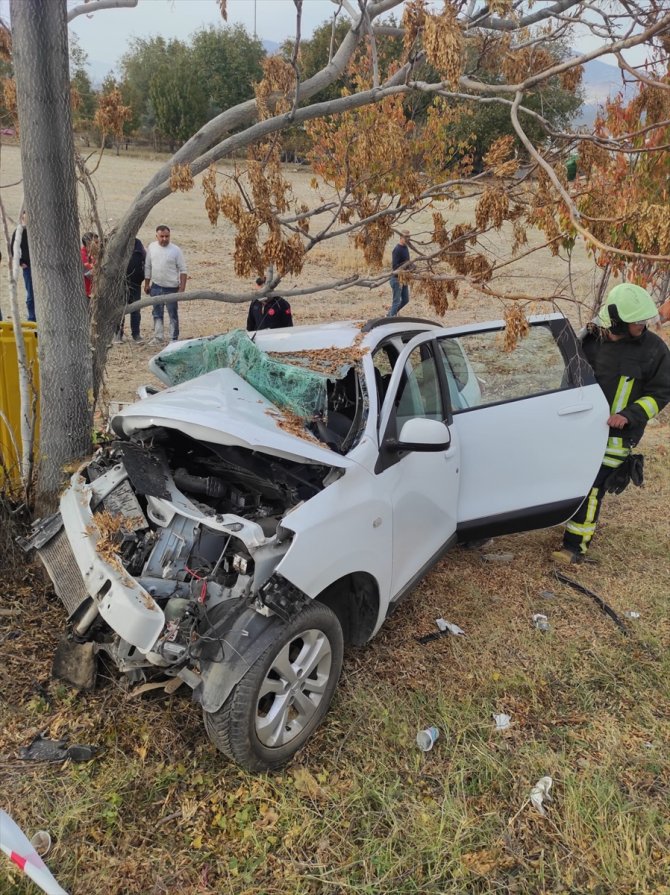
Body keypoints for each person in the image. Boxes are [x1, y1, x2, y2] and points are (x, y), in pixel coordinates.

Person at [552, 283, 670, 564]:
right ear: (617, 321)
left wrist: (629, 416)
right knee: (573, 480)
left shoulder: (655, 350)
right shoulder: (590, 340)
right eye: (636, 322)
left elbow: (661, 393)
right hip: (581, 428)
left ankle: (574, 547)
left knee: (593, 486)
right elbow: (571, 377)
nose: (642, 326)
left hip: (618, 436)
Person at [144, 225, 187, 343]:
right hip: (156, 286)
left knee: (172, 314)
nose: (164, 239)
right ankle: (158, 336)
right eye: (161, 236)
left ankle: (173, 338)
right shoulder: (151, 247)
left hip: (171, 288)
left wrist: (181, 289)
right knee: (157, 312)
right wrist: (147, 284)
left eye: (167, 236)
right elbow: (148, 266)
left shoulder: (176, 250)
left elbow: (183, 270)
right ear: (156, 236)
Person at [115, 237, 145, 343]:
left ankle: (136, 334)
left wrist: (142, 277)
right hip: (119, 285)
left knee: (136, 310)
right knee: (120, 310)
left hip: (135, 284)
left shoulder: (137, 243)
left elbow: (143, 261)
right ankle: (118, 335)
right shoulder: (118, 242)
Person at [11, 212, 36, 322]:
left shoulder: (38, 230)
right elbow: (13, 248)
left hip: (41, 268)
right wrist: (21, 263)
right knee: (30, 294)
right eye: (26, 218)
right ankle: (32, 318)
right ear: (22, 218)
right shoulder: (19, 231)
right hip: (28, 267)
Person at [387, 230, 411, 317]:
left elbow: (406, 261)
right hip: (396, 279)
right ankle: (390, 319)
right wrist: (406, 265)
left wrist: (410, 266)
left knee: (405, 299)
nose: (408, 239)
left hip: (403, 278)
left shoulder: (406, 248)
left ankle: (390, 314)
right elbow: (395, 267)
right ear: (401, 238)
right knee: (396, 302)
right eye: (406, 237)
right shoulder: (397, 250)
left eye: (409, 237)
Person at [81, 232, 98, 299]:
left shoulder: (91, 252)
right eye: (96, 243)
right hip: (89, 290)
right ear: (89, 244)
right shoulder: (83, 254)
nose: (98, 245)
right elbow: (91, 271)